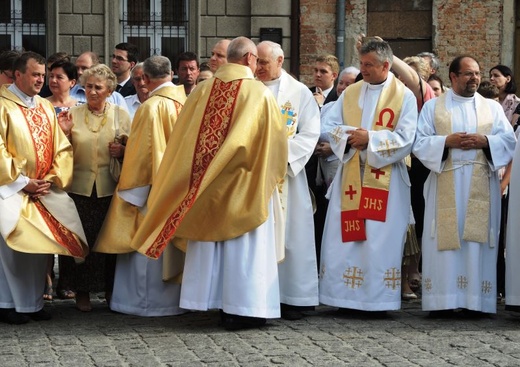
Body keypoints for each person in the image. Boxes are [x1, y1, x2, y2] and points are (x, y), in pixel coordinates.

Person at [130, 37, 287, 330]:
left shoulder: (202, 91)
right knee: (244, 249)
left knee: (211, 248)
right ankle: (244, 308)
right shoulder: (259, 94)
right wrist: (269, 177)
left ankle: (209, 301)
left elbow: (182, 140)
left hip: (203, 186)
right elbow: (274, 145)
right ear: (250, 59)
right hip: (245, 184)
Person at [319, 39, 417, 315]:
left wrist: (370, 139)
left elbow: (407, 138)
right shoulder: (351, 93)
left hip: (386, 181)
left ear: (386, 65)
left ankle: (376, 301)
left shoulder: (404, 96)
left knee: (378, 239)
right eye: (361, 64)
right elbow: (328, 125)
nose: (363, 70)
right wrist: (352, 137)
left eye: (369, 65)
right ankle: (343, 298)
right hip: (351, 173)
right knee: (345, 239)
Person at [412, 55, 516, 317]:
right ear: (454, 77)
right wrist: (445, 141)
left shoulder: (491, 108)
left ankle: (476, 302)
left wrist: (485, 141)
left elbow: (508, 142)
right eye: (469, 74)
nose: (475, 78)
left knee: (476, 242)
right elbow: (419, 143)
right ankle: (442, 301)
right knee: (446, 241)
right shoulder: (433, 107)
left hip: (481, 183)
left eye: (478, 73)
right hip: (446, 179)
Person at [94, 56, 187, 317]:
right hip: (178, 188)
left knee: (143, 248)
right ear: (171, 73)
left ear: (145, 79)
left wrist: (132, 193)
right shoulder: (186, 102)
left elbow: (143, 155)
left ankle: (143, 304)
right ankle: (175, 302)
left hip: (151, 190)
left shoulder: (151, 107)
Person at [0, 51, 88, 324]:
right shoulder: (3, 105)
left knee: (39, 251)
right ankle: (5, 304)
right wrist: (23, 182)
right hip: (11, 188)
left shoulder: (45, 107)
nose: (41, 80)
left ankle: (31, 304)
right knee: (12, 248)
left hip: (42, 190)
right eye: (35, 74)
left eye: (44, 75)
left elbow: (60, 147)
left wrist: (50, 179)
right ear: (17, 75)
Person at [256, 40, 320, 320]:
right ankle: (260, 295)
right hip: (255, 176)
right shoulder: (249, 88)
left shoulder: (299, 93)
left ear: (280, 61)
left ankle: (295, 297)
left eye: (264, 63)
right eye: (255, 62)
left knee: (293, 236)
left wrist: (278, 157)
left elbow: (310, 134)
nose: (258, 68)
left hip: (287, 178)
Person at [61, 64, 132, 312]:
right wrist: (65, 135)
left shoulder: (120, 115)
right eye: (88, 86)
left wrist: (122, 151)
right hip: (78, 188)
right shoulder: (73, 114)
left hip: (108, 188)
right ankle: (81, 292)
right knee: (81, 242)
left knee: (107, 243)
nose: (91, 91)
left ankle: (110, 290)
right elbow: (60, 150)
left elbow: (133, 150)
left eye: (97, 87)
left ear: (109, 90)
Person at [45, 59, 81, 301]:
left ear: (72, 82)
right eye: (51, 76)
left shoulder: (80, 108)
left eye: (59, 77)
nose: (53, 81)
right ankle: (46, 280)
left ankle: (67, 281)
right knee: (46, 230)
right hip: (47, 175)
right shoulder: (43, 106)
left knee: (69, 227)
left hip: (74, 175)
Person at [306, 54, 340, 264]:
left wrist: (333, 148)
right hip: (310, 167)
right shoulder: (306, 94)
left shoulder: (339, 97)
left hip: (332, 168)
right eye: (316, 70)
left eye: (323, 71)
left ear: (334, 76)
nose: (318, 75)